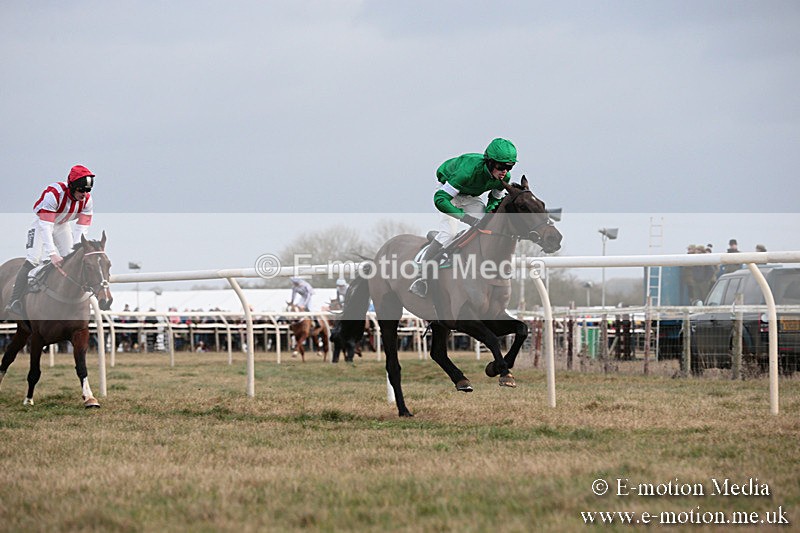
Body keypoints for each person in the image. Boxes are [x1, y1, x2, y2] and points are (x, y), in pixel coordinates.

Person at [409, 138, 517, 297]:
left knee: (486, 227)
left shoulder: (504, 179)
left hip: (471, 197)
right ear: (489, 162)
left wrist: (489, 214)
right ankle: (421, 277)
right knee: (449, 233)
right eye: (501, 166)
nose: (505, 171)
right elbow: (440, 199)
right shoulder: (467, 172)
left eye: (509, 167)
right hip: (449, 193)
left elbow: (495, 200)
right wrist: (465, 218)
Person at [5, 165, 96, 316]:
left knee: (71, 260)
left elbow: (81, 229)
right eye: (81, 190)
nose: (84, 194)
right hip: (43, 224)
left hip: (61, 226)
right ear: (72, 186)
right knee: (33, 259)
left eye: (88, 190)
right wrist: (52, 253)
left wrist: (75, 251)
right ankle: (14, 300)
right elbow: (46, 227)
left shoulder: (87, 201)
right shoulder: (54, 194)